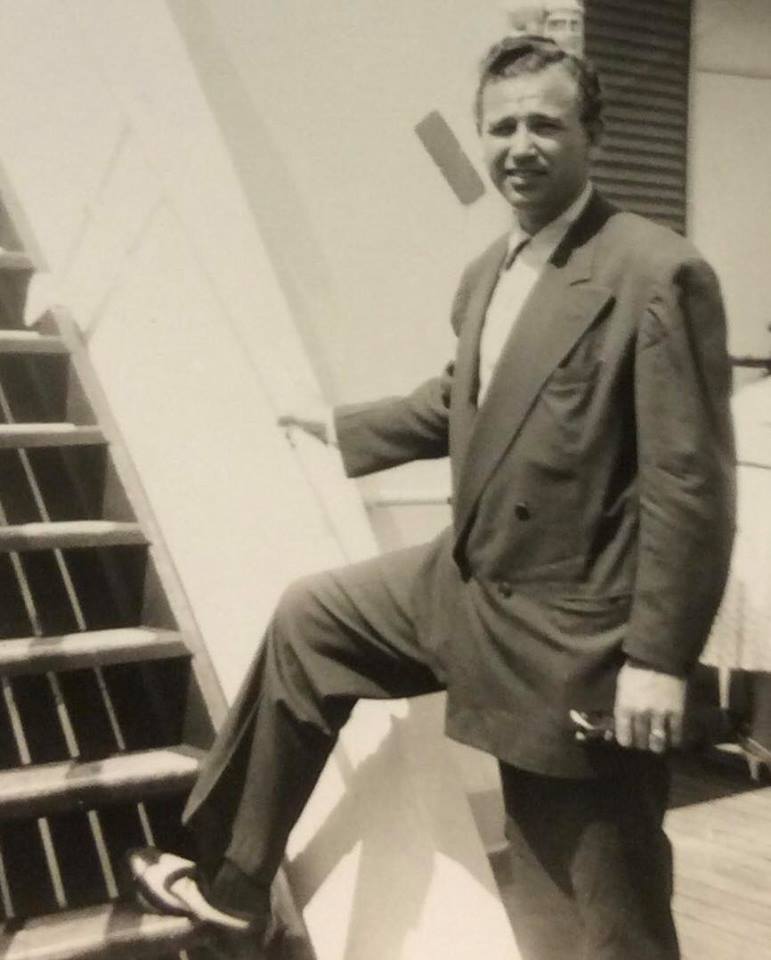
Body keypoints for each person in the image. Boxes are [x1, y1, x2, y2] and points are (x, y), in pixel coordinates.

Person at [129, 35, 736, 960]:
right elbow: (466, 400)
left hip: (572, 633)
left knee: (590, 904)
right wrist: (337, 427)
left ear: (593, 135)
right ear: (479, 137)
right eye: (500, 127)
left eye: (545, 123)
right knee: (314, 620)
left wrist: (656, 658)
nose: (519, 146)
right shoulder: (487, 274)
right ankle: (230, 883)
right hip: (469, 583)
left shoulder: (654, 272)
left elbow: (690, 483)